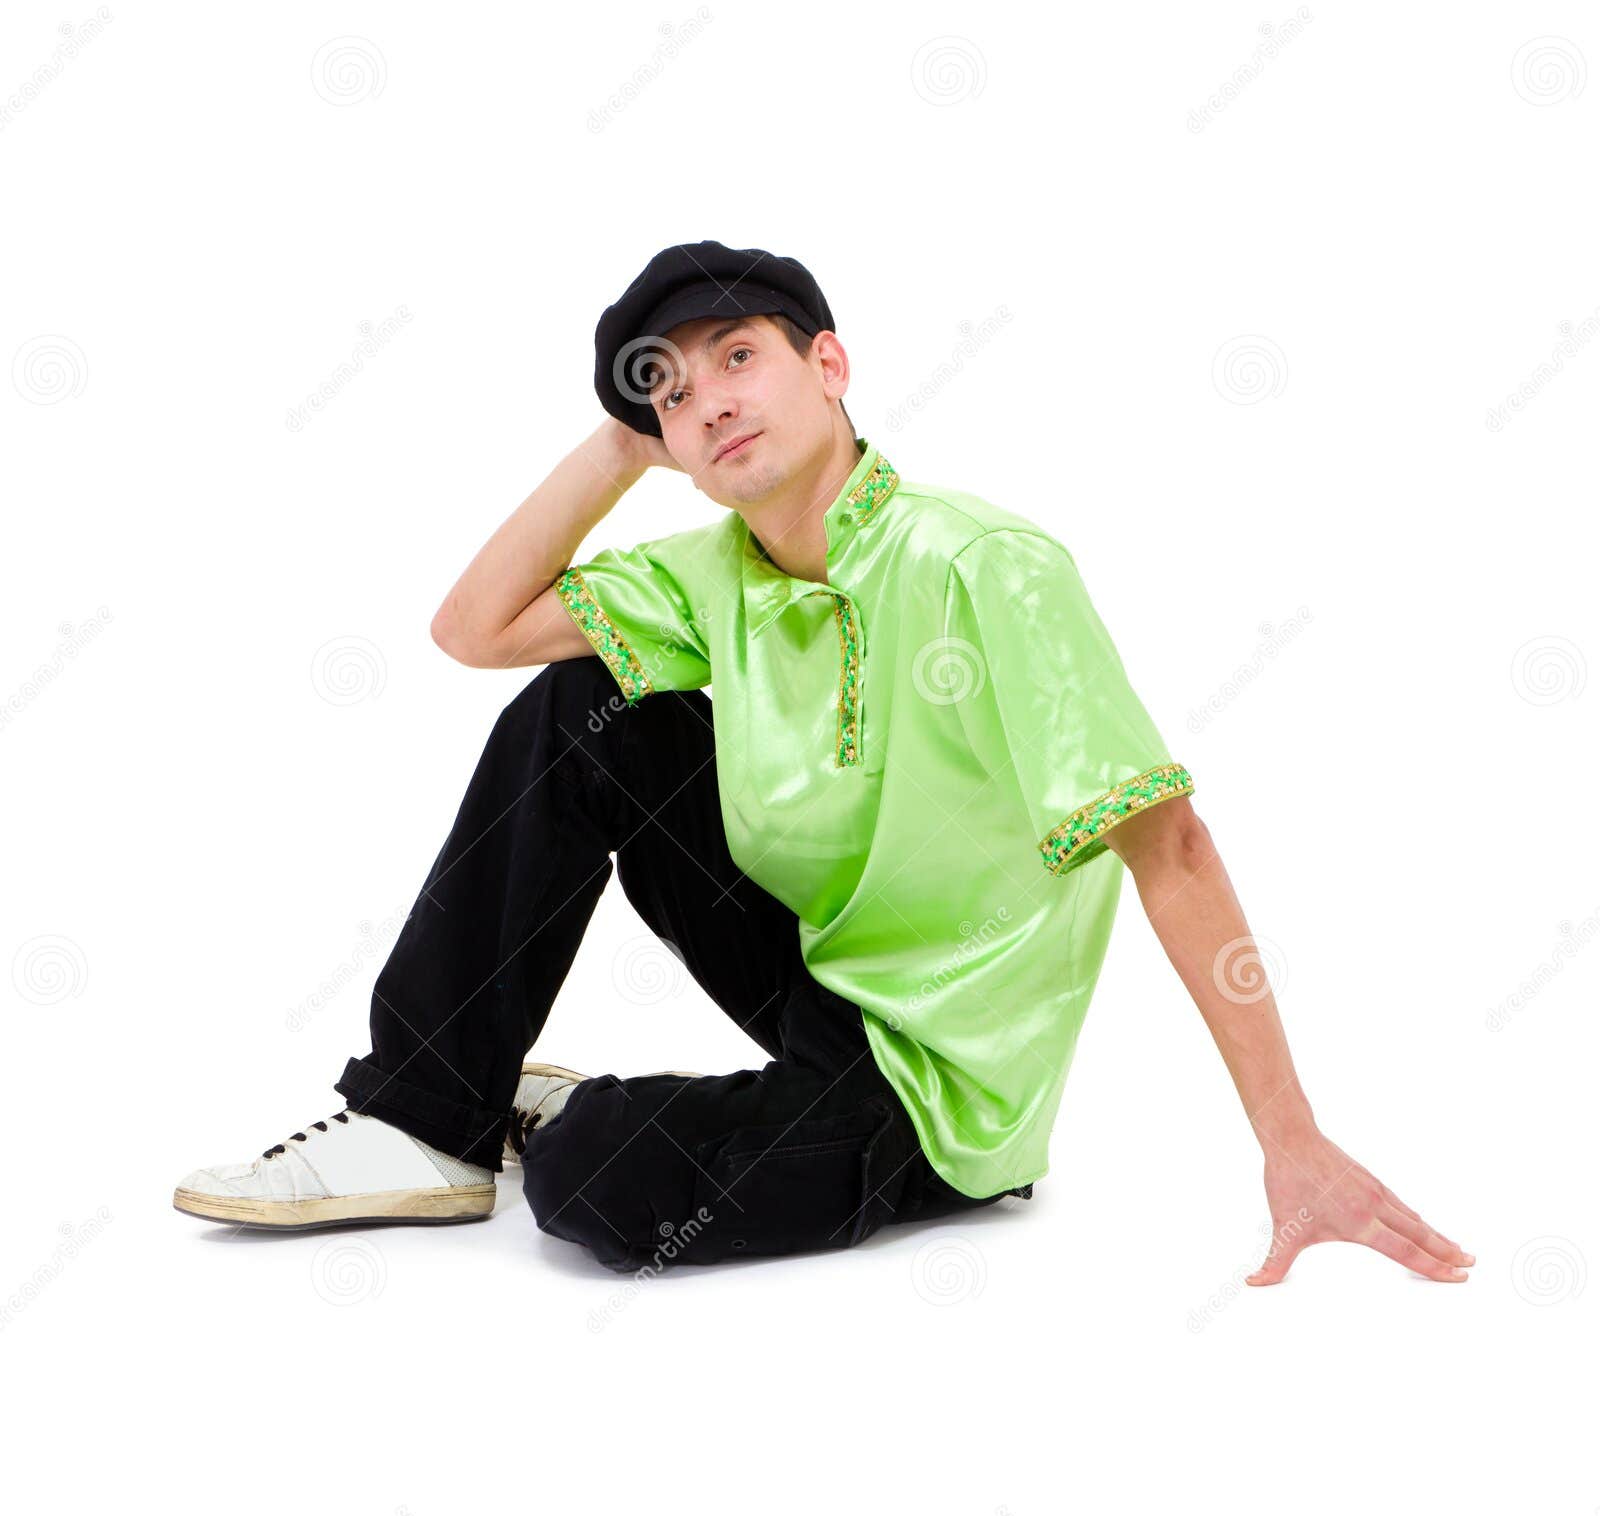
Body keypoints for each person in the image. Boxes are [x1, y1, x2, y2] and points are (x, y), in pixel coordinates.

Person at [172, 240, 1473, 1286]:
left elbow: (1170, 845)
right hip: (816, 976)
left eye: (738, 357)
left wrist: (1289, 1137)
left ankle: (555, 1120)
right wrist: (625, 439)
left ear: (831, 365)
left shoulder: (982, 565)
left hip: (938, 1090)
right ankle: (428, 1117)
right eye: (672, 389)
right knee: (587, 697)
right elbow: (474, 631)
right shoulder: (710, 573)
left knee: (598, 1188)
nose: (709, 399)